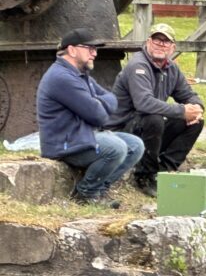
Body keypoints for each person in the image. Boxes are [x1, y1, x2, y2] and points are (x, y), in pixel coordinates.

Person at [36, 28, 144, 207]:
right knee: (116, 147)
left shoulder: (79, 74)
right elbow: (99, 116)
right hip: (64, 144)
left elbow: (111, 98)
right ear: (72, 50)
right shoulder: (62, 77)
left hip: (81, 137)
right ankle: (86, 193)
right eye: (90, 48)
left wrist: (97, 101)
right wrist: (98, 103)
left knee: (135, 145)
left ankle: (100, 189)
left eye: (95, 49)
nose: (95, 53)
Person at [107, 23, 205, 197]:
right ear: (148, 42)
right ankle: (144, 176)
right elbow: (143, 103)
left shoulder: (171, 68)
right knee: (154, 118)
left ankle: (164, 170)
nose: (161, 44)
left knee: (194, 122)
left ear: (172, 47)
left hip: (148, 128)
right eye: (157, 40)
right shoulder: (138, 65)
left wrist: (197, 108)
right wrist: (182, 110)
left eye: (166, 42)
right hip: (122, 129)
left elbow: (188, 94)